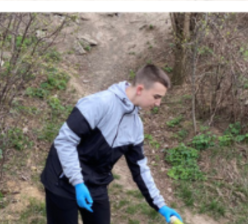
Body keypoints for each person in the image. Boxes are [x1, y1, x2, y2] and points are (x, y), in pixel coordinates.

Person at [40, 64, 182, 224]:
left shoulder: (136, 127)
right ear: (140, 89)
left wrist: (161, 206)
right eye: (156, 97)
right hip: (63, 181)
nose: (158, 104)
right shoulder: (99, 103)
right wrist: (78, 182)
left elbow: (140, 169)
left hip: (96, 185)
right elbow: (65, 141)